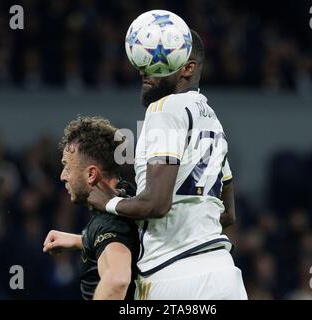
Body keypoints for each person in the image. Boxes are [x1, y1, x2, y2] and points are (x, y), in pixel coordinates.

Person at [87, 29, 248, 299]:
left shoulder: (164, 108)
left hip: (173, 277)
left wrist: (108, 203)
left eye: (159, 60)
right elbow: (227, 213)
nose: (145, 69)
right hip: (225, 277)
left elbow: (157, 204)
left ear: (187, 68)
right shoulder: (213, 122)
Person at [42, 116, 139, 300]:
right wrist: (82, 240)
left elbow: (117, 281)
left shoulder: (107, 222)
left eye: (67, 167)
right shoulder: (128, 196)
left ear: (91, 174)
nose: (63, 176)